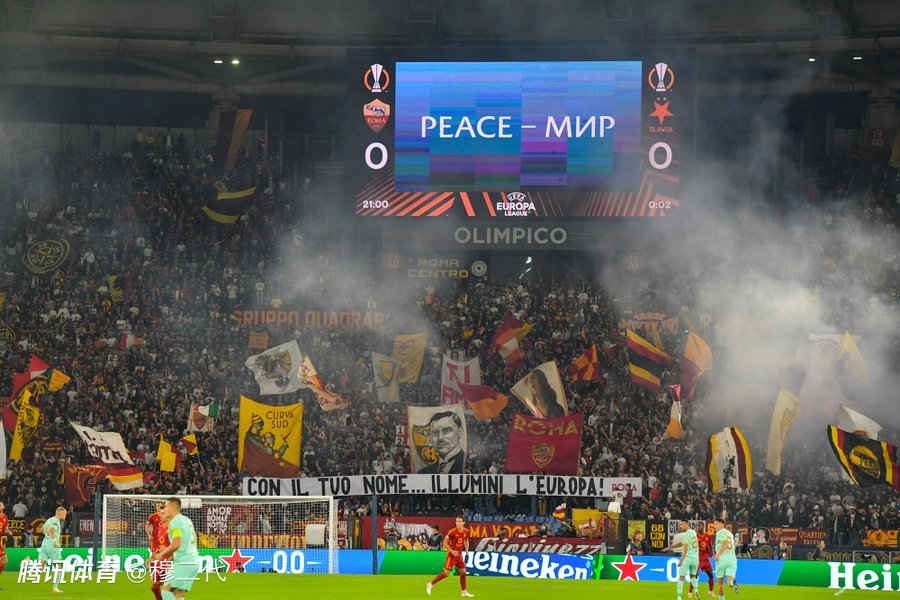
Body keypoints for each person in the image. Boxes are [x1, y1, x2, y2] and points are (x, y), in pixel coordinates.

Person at [151, 497, 200, 600]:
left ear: (172, 508)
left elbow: (176, 544)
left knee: (166, 592)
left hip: (184, 562)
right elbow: (189, 542)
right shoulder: (186, 520)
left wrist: (162, 554)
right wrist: (173, 557)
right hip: (194, 562)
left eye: (166, 506)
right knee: (178, 594)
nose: (164, 509)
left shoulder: (175, 522)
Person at [426, 515, 473, 597]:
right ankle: (430, 584)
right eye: (456, 521)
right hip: (451, 555)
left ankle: (464, 591)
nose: (457, 523)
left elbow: (466, 540)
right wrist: (452, 551)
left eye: (459, 521)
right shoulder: (452, 532)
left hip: (459, 556)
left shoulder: (466, 531)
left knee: (463, 572)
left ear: (463, 522)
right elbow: (445, 543)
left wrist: (466, 550)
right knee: (446, 573)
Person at [38, 506, 67, 594]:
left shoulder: (49, 520)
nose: (65, 516)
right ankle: (55, 588)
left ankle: (26, 565)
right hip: (52, 544)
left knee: (41, 566)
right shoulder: (55, 521)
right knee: (58, 566)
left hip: (44, 544)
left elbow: (41, 530)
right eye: (65, 514)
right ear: (60, 513)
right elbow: (51, 530)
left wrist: (47, 534)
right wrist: (54, 540)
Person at [146, 502, 170, 600]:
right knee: (154, 587)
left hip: (171, 560)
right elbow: (161, 545)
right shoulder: (160, 528)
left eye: (162, 513)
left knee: (169, 587)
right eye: (160, 513)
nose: (160, 514)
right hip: (161, 559)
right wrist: (152, 557)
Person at [712, 518, 740, 599]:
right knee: (730, 583)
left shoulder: (720, 532)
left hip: (722, 560)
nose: (714, 526)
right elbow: (733, 546)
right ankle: (733, 583)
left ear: (722, 524)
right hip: (732, 559)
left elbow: (724, 543)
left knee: (720, 584)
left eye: (716, 524)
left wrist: (718, 555)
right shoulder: (730, 534)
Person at [676, 519, 699, 600]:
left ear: (686, 524)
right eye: (680, 525)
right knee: (693, 577)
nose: (680, 526)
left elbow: (685, 548)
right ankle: (696, 590)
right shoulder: (694, 533)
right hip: (695, 558)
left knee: (681, 578)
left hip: (688, 558)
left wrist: (681, 561)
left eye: (682, 524)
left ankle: (679, 597)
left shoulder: (686, 535)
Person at [0, 501, 12, 590]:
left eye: (0, 505)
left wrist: (8, 532)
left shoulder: (5, 517)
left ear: (3, 506)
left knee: (4, 561)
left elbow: (5, 529)